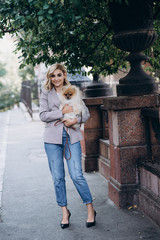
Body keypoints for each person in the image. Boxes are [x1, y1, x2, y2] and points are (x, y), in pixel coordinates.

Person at [39, 63, 96, 229]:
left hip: (72, 138)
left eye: (59, 75)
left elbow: (85, 114)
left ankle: (90, 208)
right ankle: (65, 212)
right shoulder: (45, 93)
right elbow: (42, 115)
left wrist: (75, 120)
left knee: (77, 175)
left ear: (64, 75)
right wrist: (62, 112)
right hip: (51, 140)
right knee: (58, 178)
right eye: (52, 76)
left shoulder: (73, 90)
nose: (56, 79)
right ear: (49, 77)